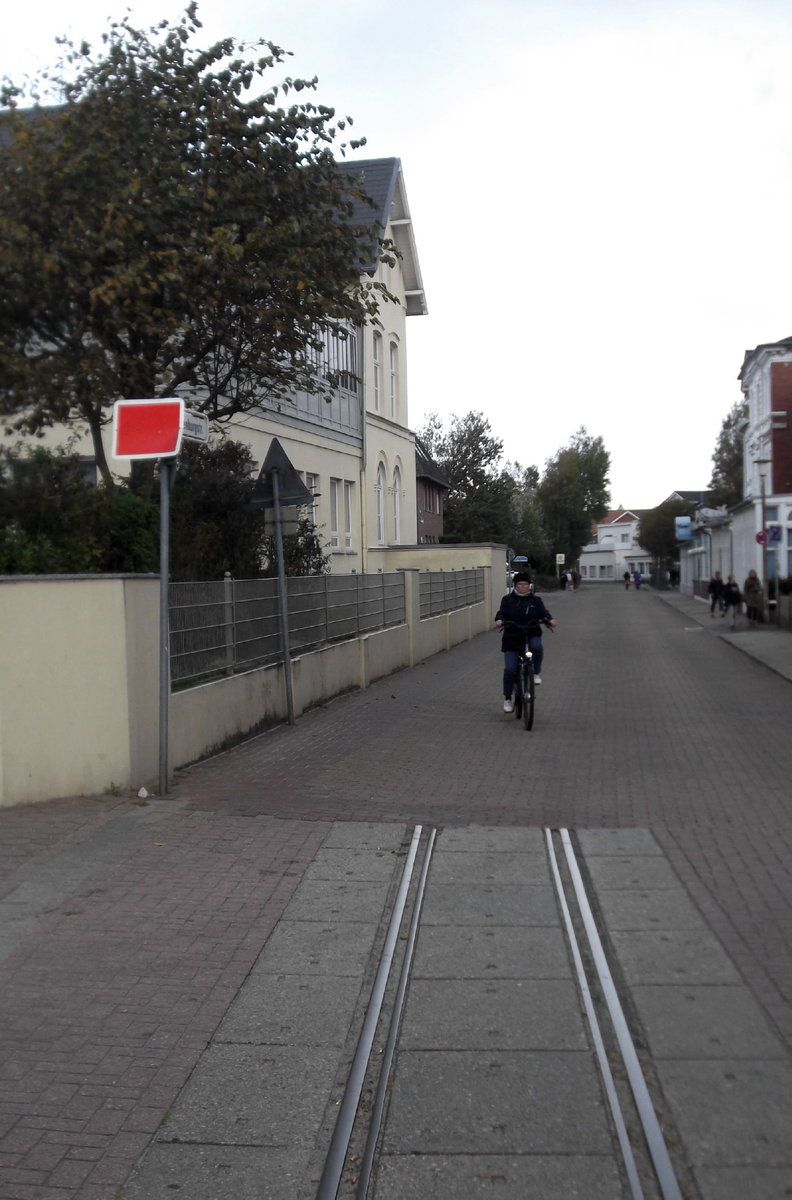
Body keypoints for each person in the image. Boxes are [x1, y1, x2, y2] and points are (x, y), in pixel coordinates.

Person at [494, 572, 557, 712]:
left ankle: (535, 673)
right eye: (520, 584)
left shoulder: (536, 600)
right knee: (510, 669)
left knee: (537, 646)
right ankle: (508, 699)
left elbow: (544, 613)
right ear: (515, 586)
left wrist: (549, 620)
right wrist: (499, 620)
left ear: (530, 586)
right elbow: (501, 613)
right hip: (512, 636)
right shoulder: (507, 600)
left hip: (531, 632)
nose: (523, 587)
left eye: (526, 584)